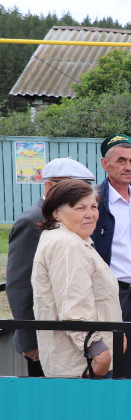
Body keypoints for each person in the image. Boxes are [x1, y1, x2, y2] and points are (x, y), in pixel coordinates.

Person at [31, 179, 130, 420]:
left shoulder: (66, 240)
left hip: (71, 361)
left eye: (93, 206)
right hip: (81, 363)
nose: (90, 214)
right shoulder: (67, 245)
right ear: (56, 212)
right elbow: (74, 307)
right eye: (79, 207)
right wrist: (97, 349)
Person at [8, 158, 95, 377]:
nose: (80, 194)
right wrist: (31, 340)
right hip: (44, 338)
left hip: (71, 335)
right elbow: (20, 286)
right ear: (49, 186)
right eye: (72, 187)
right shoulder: (32, 221)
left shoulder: (72, 217)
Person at [91, 134, 131, 379]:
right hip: (108, 294)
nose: (129, 167)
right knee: (112, 362)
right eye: (121, 161)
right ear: (105, 164)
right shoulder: (95, 202)